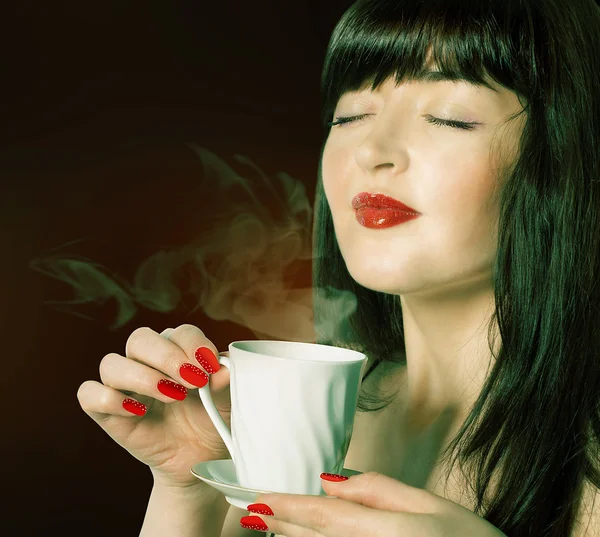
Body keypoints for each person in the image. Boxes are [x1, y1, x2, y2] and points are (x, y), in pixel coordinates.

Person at [77, 0, 600, 535]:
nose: (371, 149)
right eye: (350, 115)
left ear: (565, 155)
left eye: (448, 117)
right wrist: (188, 491)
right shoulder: (294, 434)